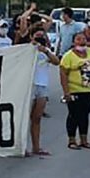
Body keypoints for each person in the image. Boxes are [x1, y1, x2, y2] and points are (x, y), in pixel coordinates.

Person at [29, 25, 60, 157]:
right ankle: (22, 146)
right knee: (24, 118)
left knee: (37, 118)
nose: (40, 38)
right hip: (29, 85)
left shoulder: (46, 50)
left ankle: (36, 147)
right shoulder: (26, 49)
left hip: (42, 85)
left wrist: (45, 51)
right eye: (37, 36)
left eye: (42, 36)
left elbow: (56, 62)